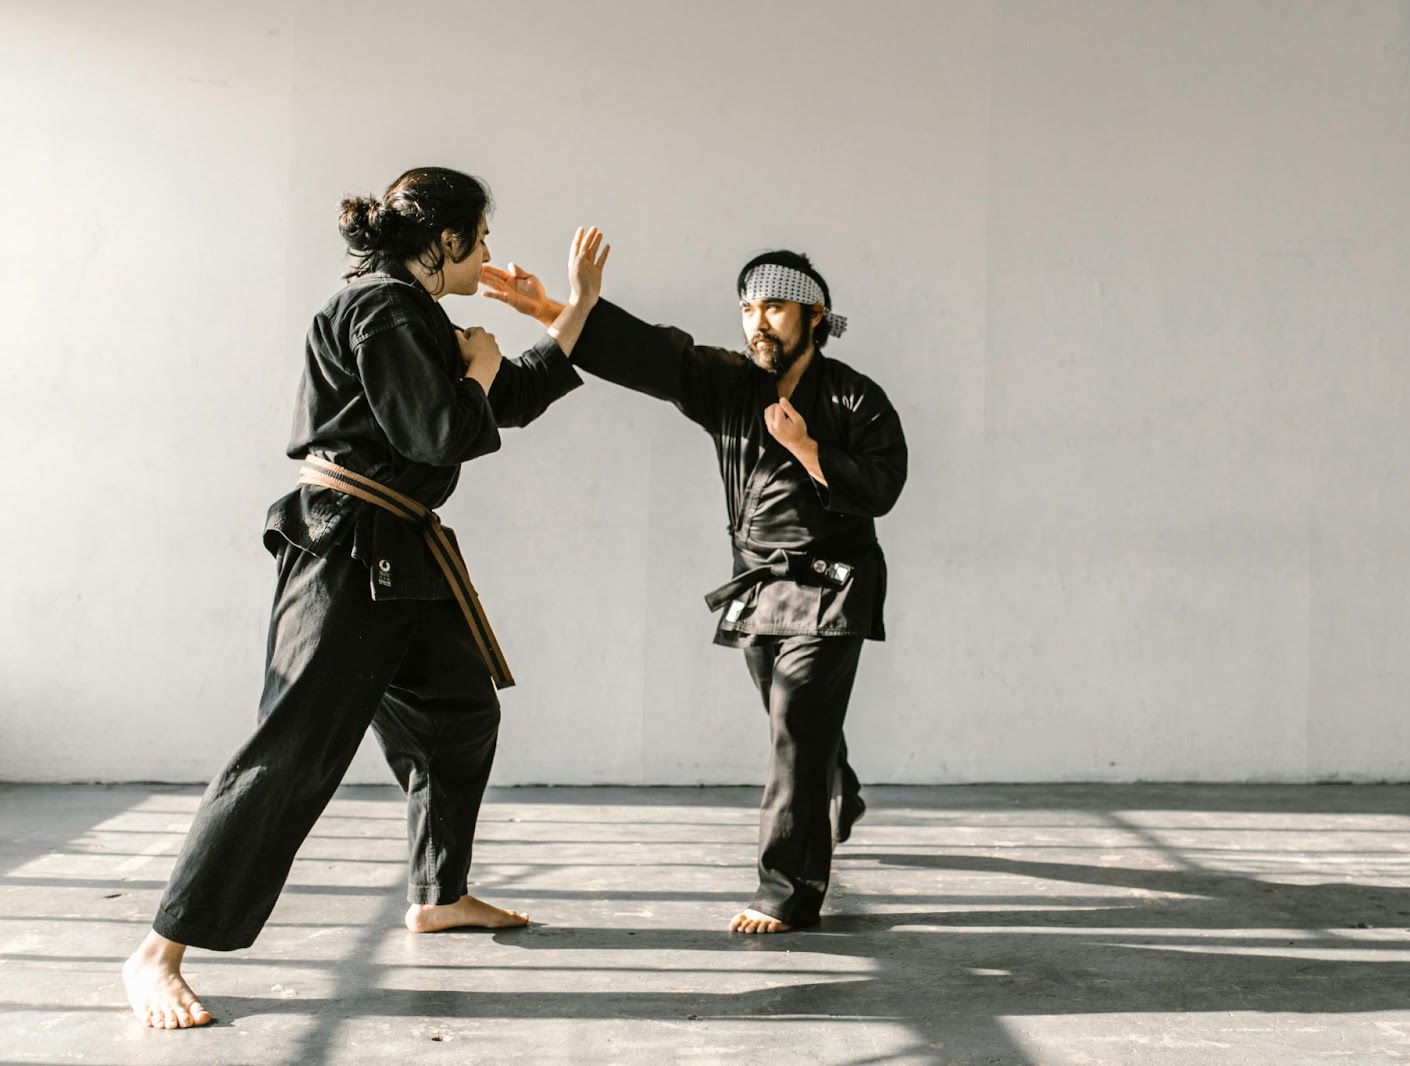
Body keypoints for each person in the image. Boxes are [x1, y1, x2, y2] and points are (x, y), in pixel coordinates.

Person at [121, 166, 610, 1028]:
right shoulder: (381, 308)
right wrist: (482, 366)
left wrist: (575, 306)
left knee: (458, 715)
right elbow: (443, 429)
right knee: (292, 747)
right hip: (346, 550)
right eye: (482, 236)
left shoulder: (414, 314)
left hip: (402, 555)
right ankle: (158, 951)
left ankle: (438, 893)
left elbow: (512, 399)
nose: (489, 253)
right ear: (446, 240)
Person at [481, 248, 907, 933]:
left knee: (796, 724)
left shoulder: (856, 396)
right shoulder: (730, 382)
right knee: (792, 719)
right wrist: (553, 310)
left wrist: (806, 450)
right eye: (747, 308)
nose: (756, 322)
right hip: (756, 583)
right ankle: (841, 787)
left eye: (772, 306)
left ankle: (786, 895)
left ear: (814, 314)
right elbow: (655, 358)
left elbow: (883, 488)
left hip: (833, 588)